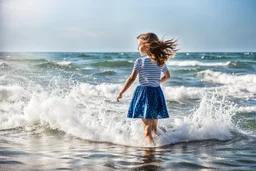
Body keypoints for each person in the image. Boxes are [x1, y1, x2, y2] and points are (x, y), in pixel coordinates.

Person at [116, 33, 178, 145]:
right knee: (154, 130)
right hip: (156, 94)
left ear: (146, 46)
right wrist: (156, 82)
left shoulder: (140, 61)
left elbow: (131, 78)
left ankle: (151, 153)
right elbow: (167, 76)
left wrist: (121, 92)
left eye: (139, 45)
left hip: (144, 95)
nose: (137, 48)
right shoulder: (160, 61)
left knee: (147, 133)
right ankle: (162, 147)